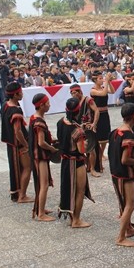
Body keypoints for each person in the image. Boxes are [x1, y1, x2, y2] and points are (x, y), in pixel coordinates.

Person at [108, 103, 134, 247]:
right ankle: (121, 237)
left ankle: (129, 229)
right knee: (129, 204)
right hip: (125, 175)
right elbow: (125, 159)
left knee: (124, 203)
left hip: (115, 173)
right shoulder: (129, 135)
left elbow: (116, 150)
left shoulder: (116, 131)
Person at [57, 97, 94, 227]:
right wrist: (86, 141)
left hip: (65, 161)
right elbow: (81, 149)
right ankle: (76, 219)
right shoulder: (78, 131)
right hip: (76, 162)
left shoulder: (61, 122)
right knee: (79, 190)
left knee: (68, 188)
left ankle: (72, 216)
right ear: (78, 112)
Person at [0, 82, 33, 203]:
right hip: (17, 144)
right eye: (20, 92)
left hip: (10, 143)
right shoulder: (15, 111)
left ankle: (17, 192)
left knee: (16, 168)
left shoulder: (5, 105)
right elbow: (18, 131)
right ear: (15, 95)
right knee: (27, 167)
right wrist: (25, 144)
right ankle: (22, 195)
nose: (22, 94)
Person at [28, 93, 59, 221]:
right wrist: (52, 149)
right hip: (39, 156)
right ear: (41, 105)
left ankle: (40, 207)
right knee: (44, 184)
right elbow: (41, 142)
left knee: (41, 183)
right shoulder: (39, 122)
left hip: (38, 155)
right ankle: (41, 213)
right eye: (47, 103)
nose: (49, 105)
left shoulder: (34, 117)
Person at [69, 84, 100, 175]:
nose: (73, 95)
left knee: (91, 148)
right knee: (81, 148)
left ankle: (93, 169)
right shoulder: (73, 102)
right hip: (78, 127)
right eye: (71, 93)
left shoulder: (88, 100)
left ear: (79, 92)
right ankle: (87, 165)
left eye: (74, 93)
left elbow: (96, 111)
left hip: (88, 127)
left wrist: (94, 124)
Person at [89, 72, 115, 176]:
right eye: (100, 78)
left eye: (102, 78)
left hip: (105, 114)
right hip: (98, 115)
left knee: (105, 137)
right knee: (97, 137)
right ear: (95, 80)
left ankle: (101, 154)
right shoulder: (93, 90)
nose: (102, 80)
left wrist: (109, 82)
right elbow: (103, 94)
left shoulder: (103, 87)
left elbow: (112, 91)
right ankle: (97, 159)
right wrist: (107, 81)